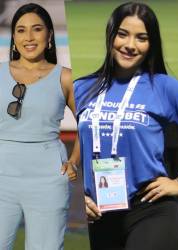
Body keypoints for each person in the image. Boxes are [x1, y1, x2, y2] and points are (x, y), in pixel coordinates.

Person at [74, 2, 178, 250]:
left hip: (150, 210)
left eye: (141, 38)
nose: (130, 45)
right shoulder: (82, 88)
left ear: (151, 44)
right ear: (111, 35)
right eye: (123, 34)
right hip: (97, 214)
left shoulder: (164, 87)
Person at [0, 3, 79, 250]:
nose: (29, 37)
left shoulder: (66, 77)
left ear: (49, 34)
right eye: (21, 30)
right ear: (14, 37)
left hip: (48, 179)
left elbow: (88, 124)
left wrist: (73, 161)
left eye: (37, 29)